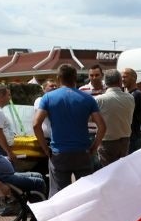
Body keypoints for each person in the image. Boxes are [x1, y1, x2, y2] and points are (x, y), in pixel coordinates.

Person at [33, 63, 107, 197]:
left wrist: (45, 148)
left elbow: (36, 125)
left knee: (59, 195)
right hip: (82, 152)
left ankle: (61, 217)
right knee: (86, 193)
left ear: (58, 78)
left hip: (59, 153)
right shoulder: (88, 99)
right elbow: (102, 126)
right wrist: (94, 147)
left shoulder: (48, 98)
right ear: (75, 78)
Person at [95, 69, 135, 168]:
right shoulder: (130, 98)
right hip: (125, 141)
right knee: (122, 170)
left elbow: (91, 120)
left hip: (107, 142)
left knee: (107, 172)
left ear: (106, 83)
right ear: (120, 81)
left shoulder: (99, 99)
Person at [121, 68, 141, 154]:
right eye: (122, 77)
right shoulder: (129, 94)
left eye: (125, 77)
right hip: (131, 137)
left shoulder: (137, 94)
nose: (122, 79)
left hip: (134, 138)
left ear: (134, 78)